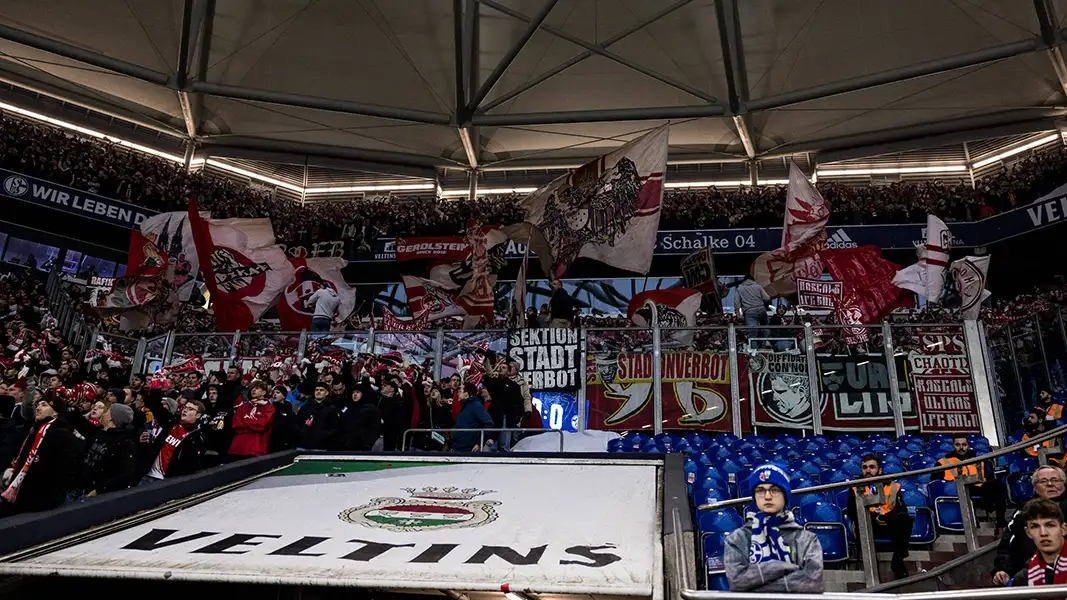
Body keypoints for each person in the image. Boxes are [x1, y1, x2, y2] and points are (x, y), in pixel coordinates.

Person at [724, 463, 824, 592]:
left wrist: (756, 584)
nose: (767, 496)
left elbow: (813, 583)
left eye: (775, 490)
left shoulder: (807, 539)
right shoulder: (737, 539)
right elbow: (737, 582)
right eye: (760, 490)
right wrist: (782, 567)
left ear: (785, 494)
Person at [1, 392, 84, 515]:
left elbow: (64, 471)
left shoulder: (61, 434)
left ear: (55, 412)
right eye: (38, 405)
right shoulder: (37, 430)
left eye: (44, 405)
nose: (38, 407)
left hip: (40, 502)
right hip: (24, 496)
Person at [992, 465, 1067, 585]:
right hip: (1029, 575)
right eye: (1043, 481)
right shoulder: (1022, 514)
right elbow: (1006, 547)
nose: (1050, 484)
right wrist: (1002, 569)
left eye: (1055, 480)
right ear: (1035, 488)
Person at [846, 454, 913, 579]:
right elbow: (851, 511)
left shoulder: (893, 486)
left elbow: (901, 509)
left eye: (872, 467)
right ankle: (873, 570)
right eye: (865, 467)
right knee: (864, 522)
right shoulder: (855, 487)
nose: (868, 471)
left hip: (889, 523)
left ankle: (898, 560)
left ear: (879, 470)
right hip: (868, 523)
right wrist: (873, 515)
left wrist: (885, 516)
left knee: (905, 518)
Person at [933, 433, 1007, 529]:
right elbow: (936, 481)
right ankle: (987, 507)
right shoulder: (943, 462)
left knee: (997, 483)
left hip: (979, 488)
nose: (961, 447)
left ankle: (1000, 519)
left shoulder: (978, 460)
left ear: (968, 446)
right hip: (957, 489)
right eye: (958, 445)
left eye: (964, 445)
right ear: (953, 446)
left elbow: (988, 477)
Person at [69, 400, 138, 500]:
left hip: (94, 494)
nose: (104, 414)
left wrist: (99, 490)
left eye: (107, 412)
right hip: (79, 486)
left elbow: (125, 474)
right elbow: (79, 422)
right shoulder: (100, 433)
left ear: (111, 418)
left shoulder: (125, 443)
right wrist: (71, 408)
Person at [140, 390, 208, 484]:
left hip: (167, 481)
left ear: (198, 415)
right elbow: (155, 406)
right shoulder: (171, 423)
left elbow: (190, 466)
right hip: (147, 474)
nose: (185, 410)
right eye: (185, 407)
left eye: (191, 409)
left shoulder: (197, 439)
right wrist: (157, 388)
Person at [1010, 498, 1067, 587]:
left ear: (1063, 529)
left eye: (1050, 525)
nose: (1043, 533)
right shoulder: (1023, 578)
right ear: (1028, 533)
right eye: (1035, 527)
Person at [227, 380, 275, 460]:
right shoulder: (244, 406)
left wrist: (245, 421)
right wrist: (253, 424)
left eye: (256, 388)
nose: (253, 390)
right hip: (238, 447)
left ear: (264, 392)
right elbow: (236, 424)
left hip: (256, 448)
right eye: (252, 388)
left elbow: (262, 425)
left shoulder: (269, 408)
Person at [296, 381, 342, 450]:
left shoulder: (331, 409)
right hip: (303, 446)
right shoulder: (305, 407)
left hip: (321, 447)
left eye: (321, 390)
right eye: (316, 390)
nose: (318, 392)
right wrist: (302, 434)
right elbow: (297, 423)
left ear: (327, 393)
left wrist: (323, 436)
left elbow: (334, 429)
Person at [453, 382, 494, 452]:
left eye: (460, 391)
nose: (458, 394)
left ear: (466, 393)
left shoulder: (475, 405)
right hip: (459, 448)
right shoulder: (463, 407)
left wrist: (479, 443)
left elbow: (489, 424)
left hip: (470, 449)